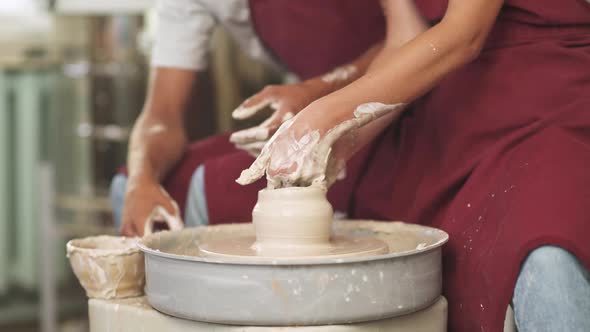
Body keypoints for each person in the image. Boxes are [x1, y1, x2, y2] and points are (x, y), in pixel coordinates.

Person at [209, 0, 590, 331]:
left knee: (543, 253)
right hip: (457, 98)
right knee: (439, 249)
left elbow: (465, 33)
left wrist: (320, 116)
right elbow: (404, 38)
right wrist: (345, 140)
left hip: (544, 87)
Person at [110, 0, 385, 235]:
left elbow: (406, 39)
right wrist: (141, 178)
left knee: (211, 187)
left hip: (385, 105)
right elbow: (162, 115)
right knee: (131, 187)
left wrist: (320, 89)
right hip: (312, 110)